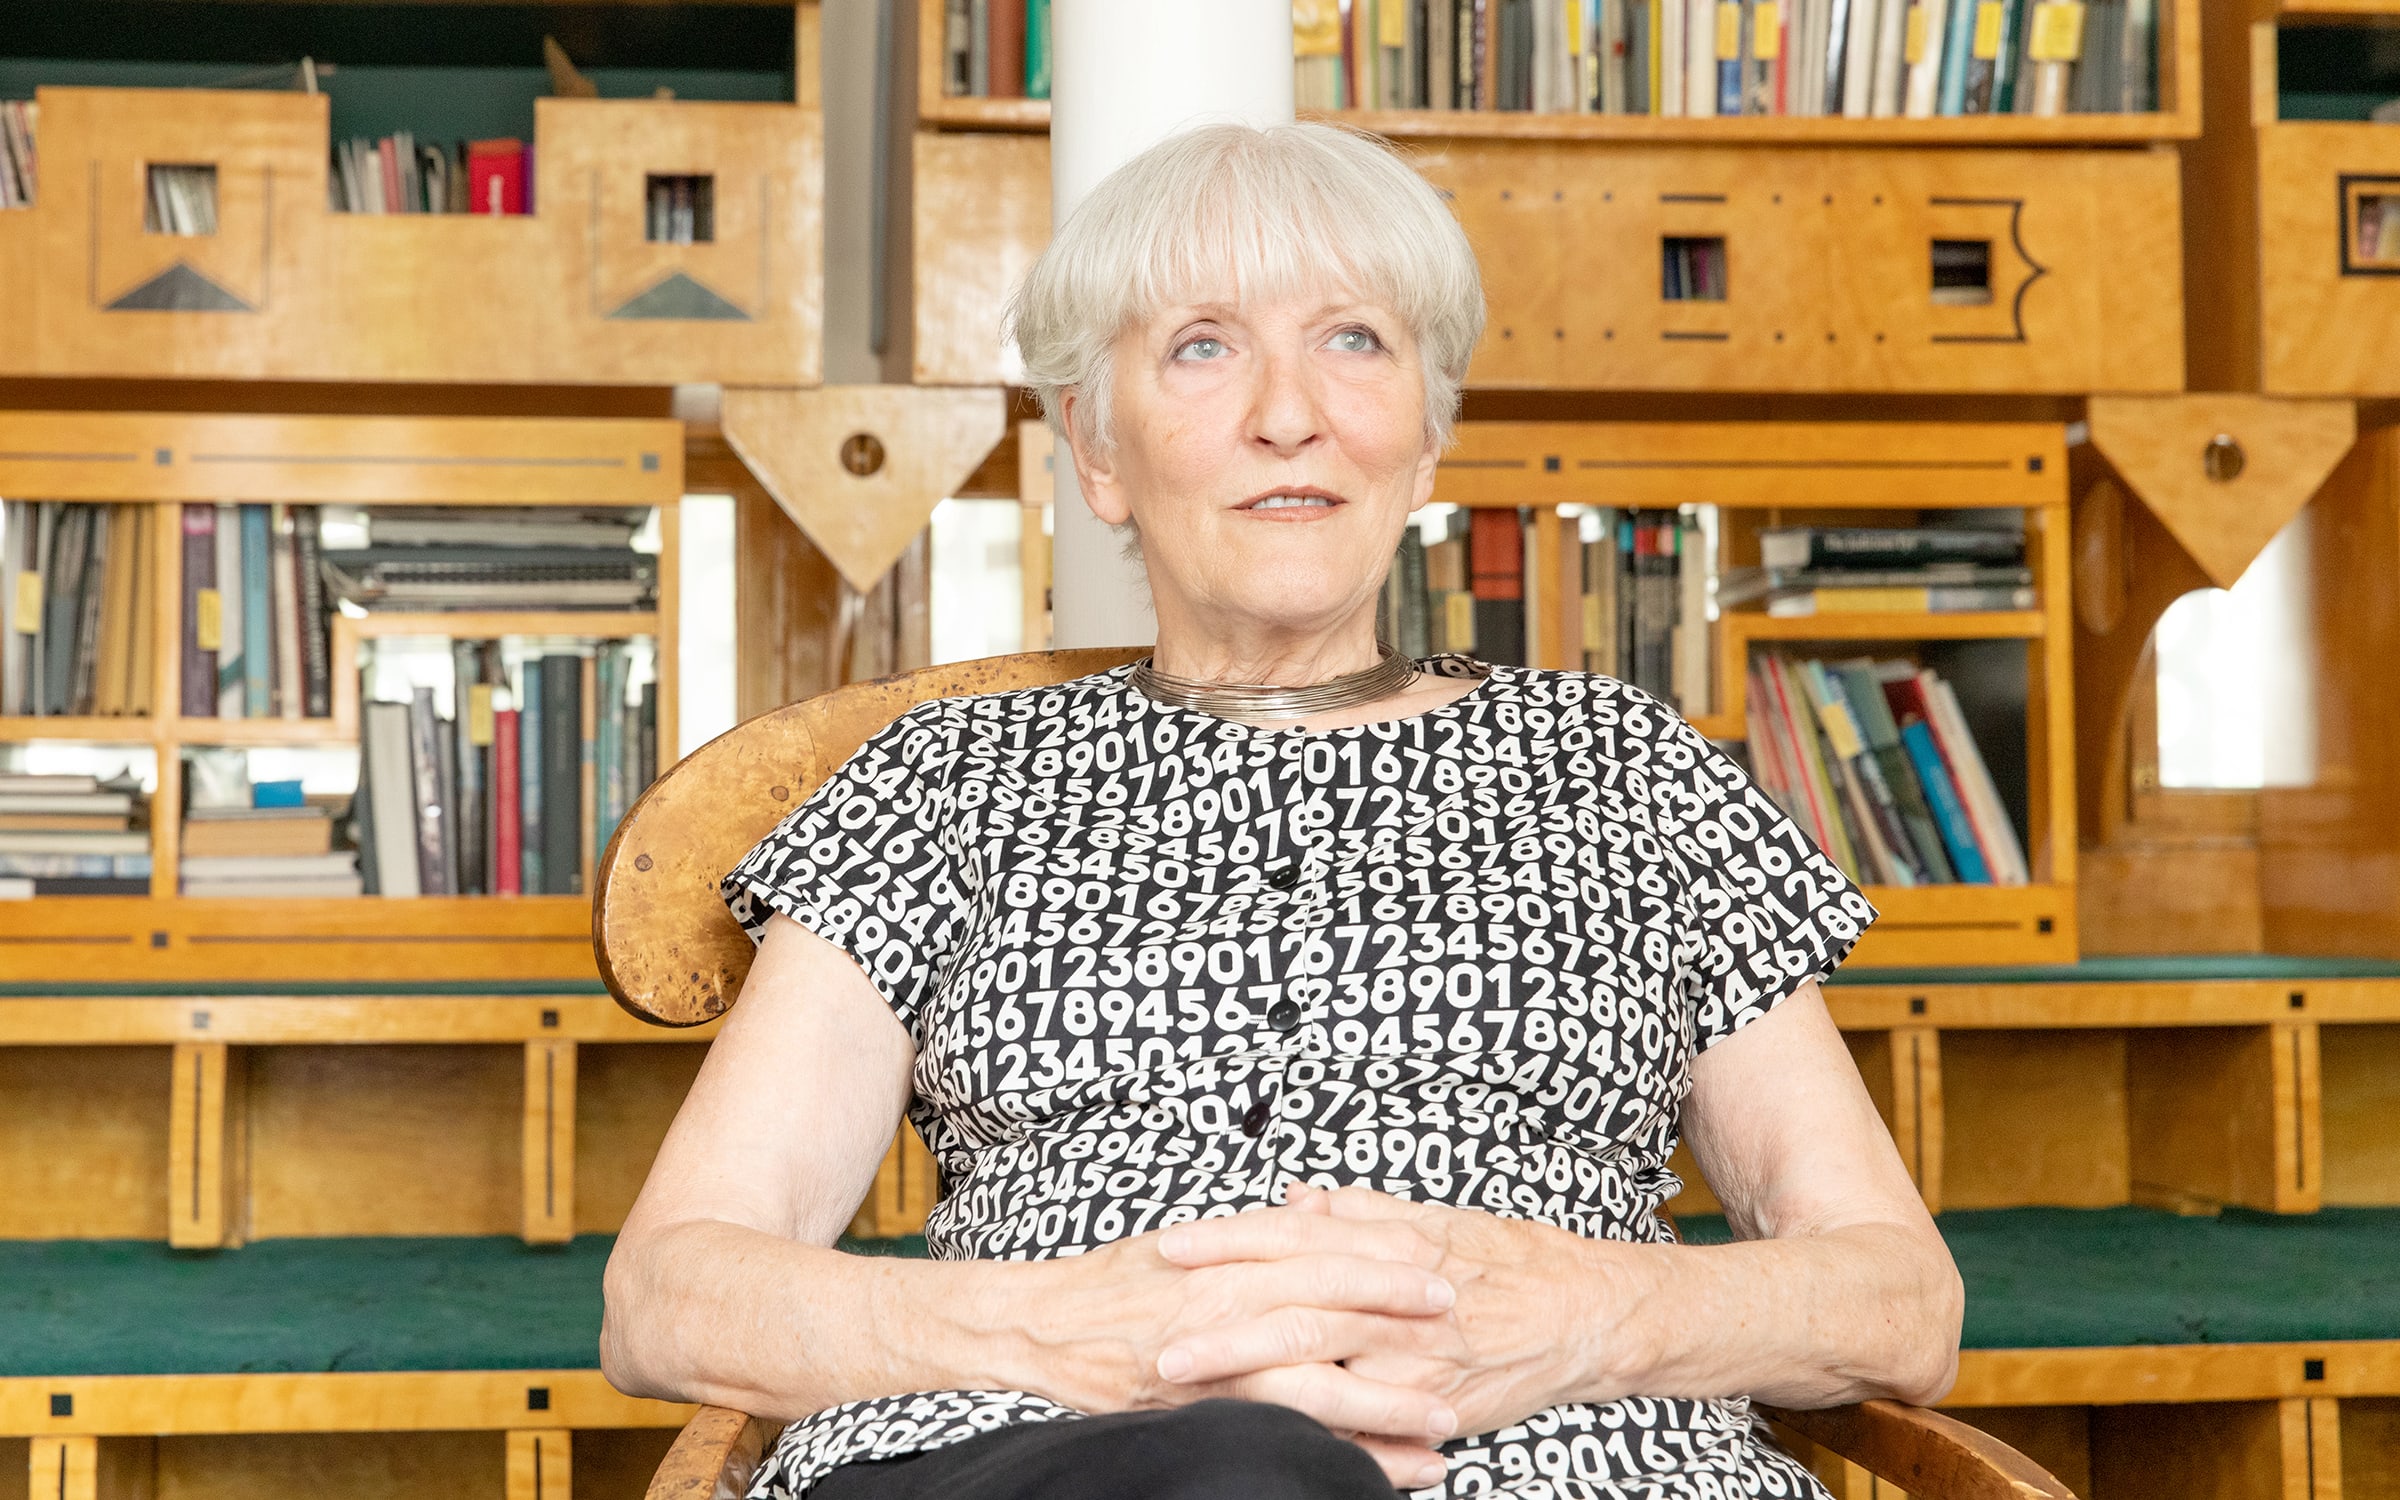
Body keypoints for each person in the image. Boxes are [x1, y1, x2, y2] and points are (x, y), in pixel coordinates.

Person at [601, 121, 1961, 1500]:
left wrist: (1591, 1312)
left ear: (1429, 433)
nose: (1287, 412)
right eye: (1202, 344)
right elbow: (668, 1293)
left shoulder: (1625, 770)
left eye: (1355, 341)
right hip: (1059, 1455)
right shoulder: (949, 782)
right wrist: (1074, 1332)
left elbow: (1902, 1303)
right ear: (1096, 446)